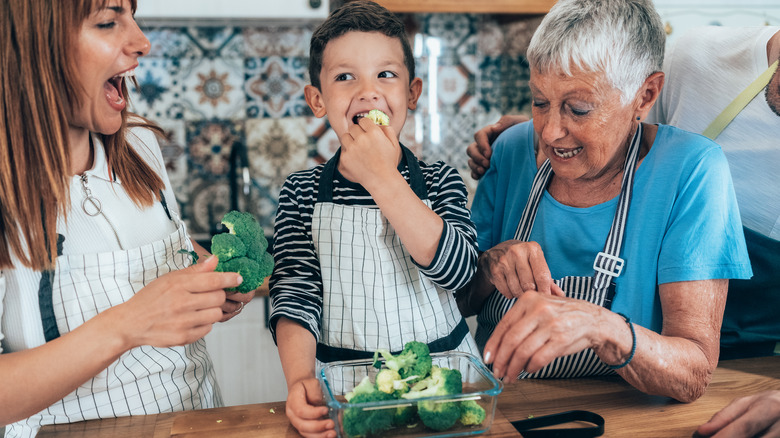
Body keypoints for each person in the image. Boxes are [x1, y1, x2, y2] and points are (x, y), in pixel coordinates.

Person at [456, 0, 751, 404]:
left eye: (579, 108)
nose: (551, 132)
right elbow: (455, 300)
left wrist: (601, 327)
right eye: (539, 102)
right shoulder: (508, 150)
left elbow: (694, 370)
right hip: (501, 406)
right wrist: (489, 265)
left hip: (626, 416)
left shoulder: (691, 170)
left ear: (645, 95)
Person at [0, 1, 254, 436]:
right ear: (33, 47)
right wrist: (130, 323)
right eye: (107, 22)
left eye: (133, 17)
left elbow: (166, 246)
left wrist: (210, 279)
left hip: (198, 422)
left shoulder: (138, 142)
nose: (141, 42)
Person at [268, 1, 480, 437]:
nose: (367, 91)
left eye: (386, 74)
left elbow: (460, 273)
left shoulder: (440, 180)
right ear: (317, 100)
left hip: (441, 387)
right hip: (346, 392)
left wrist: (383, 177)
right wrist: (299, 380)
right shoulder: (302, 192)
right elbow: (294, 294)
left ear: (412, 94)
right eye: (345, 77)